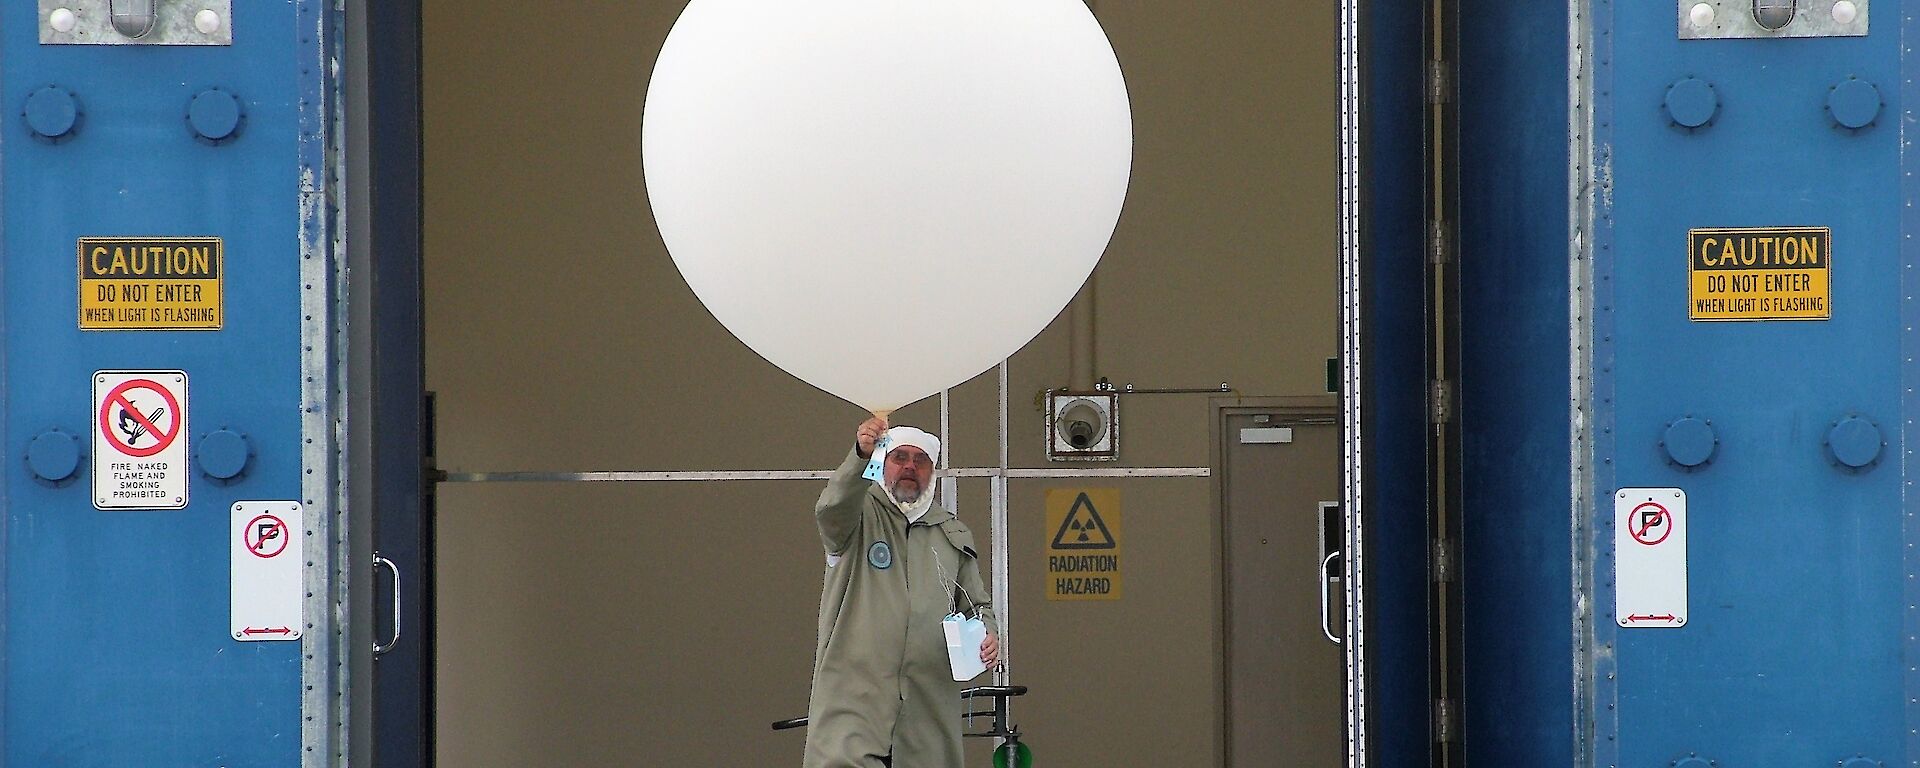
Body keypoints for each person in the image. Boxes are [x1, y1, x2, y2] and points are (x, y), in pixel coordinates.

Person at [803, 416, 1000, 768]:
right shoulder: (857, 516)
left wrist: (988, 634)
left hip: (926, 709)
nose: (910, 466)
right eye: (900, 457)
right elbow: (831, 508)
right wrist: (860, 455)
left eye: (920, 460)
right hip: (856, 706)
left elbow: (976, 605)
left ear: (932, 472)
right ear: (882, 464)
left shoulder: (951, 532)